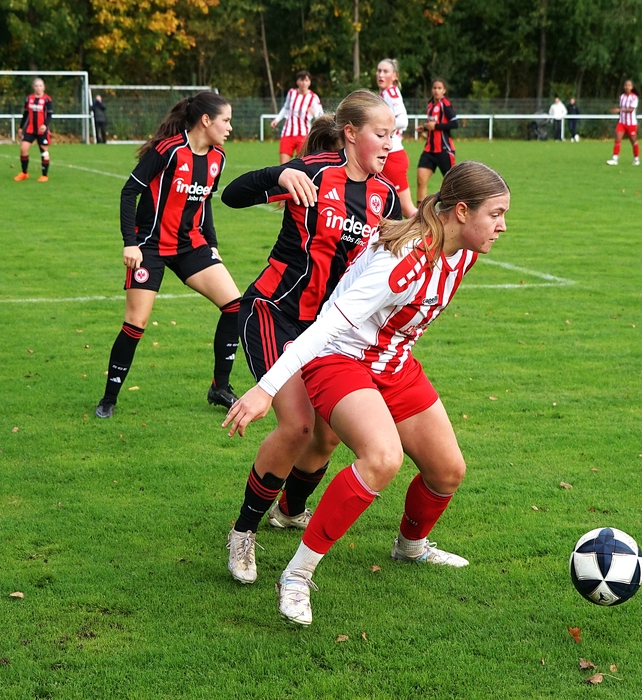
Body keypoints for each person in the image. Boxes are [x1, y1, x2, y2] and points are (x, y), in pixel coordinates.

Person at [223, 161, 510, 626]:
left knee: (448, 471)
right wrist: (265, 388)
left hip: (394, 363)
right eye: (495, 214)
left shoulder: (463, 252)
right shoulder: (402, 262)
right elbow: (327, 327)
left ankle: (410, 548)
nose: (502, 226)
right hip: (340, 358)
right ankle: (297, 574)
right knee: (382, 458)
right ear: (461, 211)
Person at [219, 90, 402, 585]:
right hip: (273, 312)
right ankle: (242, 532)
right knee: (298, 425)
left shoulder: (384, 196)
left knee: (329, 433)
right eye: (382, 134)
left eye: (394, 134)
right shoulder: (314, 173)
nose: (390, 143)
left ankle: (288, 510)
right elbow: (231, 195)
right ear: (351, 134)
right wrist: (278, 175)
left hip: (326, 330)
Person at [94, 92, 242, 419]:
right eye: (226, 120)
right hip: (149, 246)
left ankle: (219, 387)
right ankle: (108, 398)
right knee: (136, 322)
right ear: (206, 120)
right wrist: (130, 243)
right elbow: (129, 191)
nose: (230, 127)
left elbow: (204, 202)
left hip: (190, 245)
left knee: (235, 306)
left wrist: (212, 243)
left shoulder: (218, 158)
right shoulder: (169, 150)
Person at [376, 58, 418, 217]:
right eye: (379, 71)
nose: (381, 74)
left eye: (385, 71)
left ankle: (430, 231)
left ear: (395, 76)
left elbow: (403, 121)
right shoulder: (383, 94)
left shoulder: (391, 93)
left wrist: (378, 127)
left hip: (393, 155)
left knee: (407, 209)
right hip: (385, 154)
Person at [415, 78, 458, 205]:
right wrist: (425, 128)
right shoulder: (430, 105)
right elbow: (433, 124)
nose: (436, 91)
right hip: (429, 149)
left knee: (452, 183)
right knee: (421, 180)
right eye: (434, 88)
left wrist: (436, 126)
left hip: (444, 149)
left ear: (444, 90)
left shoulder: (445, 104)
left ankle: (457, 208)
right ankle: (421, 213)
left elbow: (455, 124)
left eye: (439, 88)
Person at [271, 71, 323, 164]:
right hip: (288, 133)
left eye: (306, 80)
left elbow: (321, 116)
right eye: (301, 80)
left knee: (302, 165)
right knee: (283, 166)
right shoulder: (291, 93)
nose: (304, 83)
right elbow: (286, 108)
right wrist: (277, 120)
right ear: (297, 82)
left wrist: (314, 113)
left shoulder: (313, 97)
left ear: (309, 82)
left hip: (304, 135)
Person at [14, 78, 53, 182]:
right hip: (30, 129)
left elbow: (49, 114)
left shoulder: (47, 99)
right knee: (23, 149)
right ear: (33, 87)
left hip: (42, 130)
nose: (38, 88)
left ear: (44, 87)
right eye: (36, 86)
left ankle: (44, 175)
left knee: (44, 152)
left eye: (40, 86)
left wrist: (45, 125)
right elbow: (26, 114)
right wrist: (21, 127)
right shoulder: (29, 98)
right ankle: (24, 173)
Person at [607, 80, 639, 166]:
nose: (627, 87)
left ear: (632, 87)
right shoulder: (622, 97)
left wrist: (620, 110)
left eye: (629, 85)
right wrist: (618, 111)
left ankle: (636, 159)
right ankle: (614, 159)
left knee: (633, 142)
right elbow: (622, 109)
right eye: (625, 85)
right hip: (622, 122)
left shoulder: (634, 97)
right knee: (617, 139)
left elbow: (631, 110)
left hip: (631, 124)